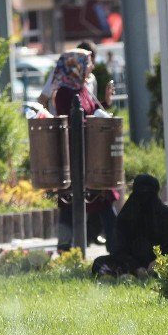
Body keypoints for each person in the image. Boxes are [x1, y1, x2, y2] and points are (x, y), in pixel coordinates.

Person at [51, 49, 104, 252]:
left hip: (89, 152)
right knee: (68, 201)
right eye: (87, 63)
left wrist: (104, 104)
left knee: (96, 199)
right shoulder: (65, 92)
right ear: (76, 66)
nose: (91, 67)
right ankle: (65, 248)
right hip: (72, 155)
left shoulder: (83, 88)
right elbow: (71, 120)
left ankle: (83, 242)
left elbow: (90, 112)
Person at [91, 174, 168, 277]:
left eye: (148, 193)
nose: (145, 198)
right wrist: (135, 267)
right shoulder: (126, 216)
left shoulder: (165, 215)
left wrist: (159, 261)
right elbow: (118, 249)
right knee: (99, 263)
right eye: (142, 192)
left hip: (159, 264)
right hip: (130, 265)